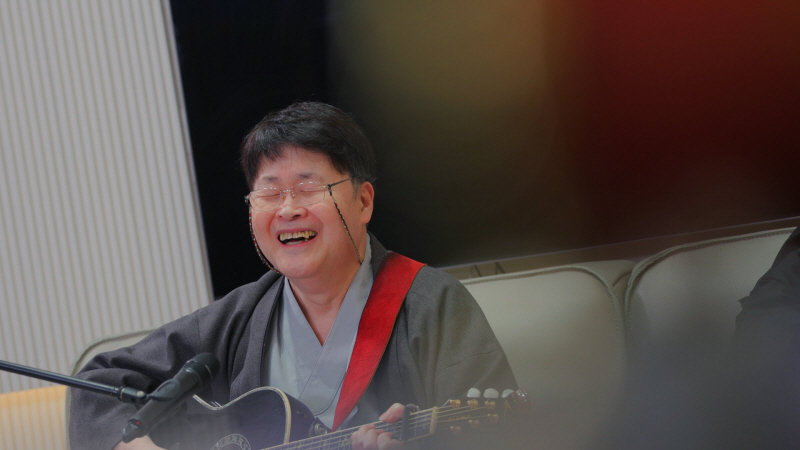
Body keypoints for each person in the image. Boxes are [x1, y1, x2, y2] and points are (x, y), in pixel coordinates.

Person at [68, 102, 518, 449]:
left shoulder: (434, 305)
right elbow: (98, 383)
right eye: (269, 193)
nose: (288, 209)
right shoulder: (240, 317)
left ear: (363, 202)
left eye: (308, 188)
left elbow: (506, 437)